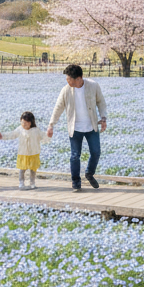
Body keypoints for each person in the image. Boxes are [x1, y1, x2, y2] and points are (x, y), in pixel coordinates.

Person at [46, 63, 107, 192]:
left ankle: (89, 173)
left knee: (96, 152)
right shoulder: (66, 90)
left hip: (91, 126)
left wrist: (104, 117)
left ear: (78, 79)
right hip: (75, 128)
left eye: (69, 78)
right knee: (75, 156)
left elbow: (101, 102)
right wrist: (51, 124)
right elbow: (58, 107)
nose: (67, 80)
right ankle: (75, 181)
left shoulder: (93, 86)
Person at [0, 111, 50, 189]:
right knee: (22, 169)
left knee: (33, 170)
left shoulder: (36, 130)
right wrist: (2, 136)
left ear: (31, 122)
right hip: (23, 153)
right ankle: (21, 183)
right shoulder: (20, 129)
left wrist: (49, 135)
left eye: (26, 123)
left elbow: (43, 137)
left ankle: (32, 183)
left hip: (34, 153)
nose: (23, 124)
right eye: (22, 122)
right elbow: (12, 134)